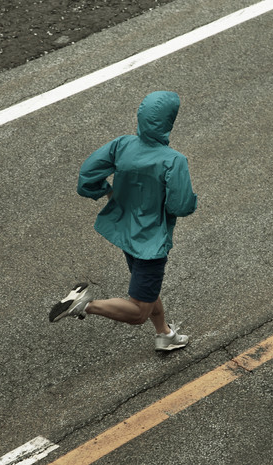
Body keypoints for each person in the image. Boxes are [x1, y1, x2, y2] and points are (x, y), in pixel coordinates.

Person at [49, 91, 198, 351]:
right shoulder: (174, 160)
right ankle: (84, 304)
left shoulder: (122, 144)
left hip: (125, 233)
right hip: (150, 243)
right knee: (139, 310)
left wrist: (106, 191)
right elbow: (181, 206)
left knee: (147, 289)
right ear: (169, 121)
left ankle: (164, 334)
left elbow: (87, 176)